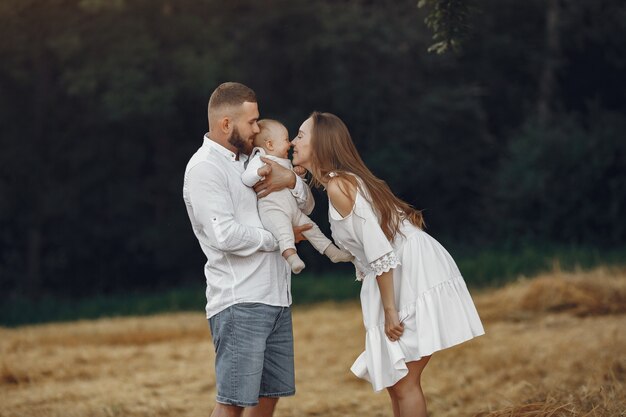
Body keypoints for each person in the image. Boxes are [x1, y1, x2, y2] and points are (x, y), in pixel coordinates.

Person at [290, 111, 485, 417]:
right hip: (400, 271)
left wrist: (390, 311)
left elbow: (379, 251)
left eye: (300, 135)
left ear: (322, 143)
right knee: (399, 382)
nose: (292, 141)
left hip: (411, 272)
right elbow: (362, 251)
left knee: (405, 382)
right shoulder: (338, 184)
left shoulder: (340, 186)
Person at [182, 82, 313, 417]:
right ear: (226, 124)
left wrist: (292, 181)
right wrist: (281, 239)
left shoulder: (255, 160)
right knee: (234, 403)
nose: (258, 128)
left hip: (276, 297)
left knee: (269, 397)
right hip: (240, 301)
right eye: (252, 121)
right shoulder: (205, 168)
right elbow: (224, 235)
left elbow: (305, 205)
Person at [241, 119, 353, 273]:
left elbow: (306, 204)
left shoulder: (285, 162)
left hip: (293, 210)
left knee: (312, 228)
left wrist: (296, 177)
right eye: (286, 140)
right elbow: (246, 178)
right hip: (273, 209)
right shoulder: (259, 160)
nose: (290, 144)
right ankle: (293, 259)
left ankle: (332, 252)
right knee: (284, 232)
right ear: (270, 145)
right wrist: (258, 173)